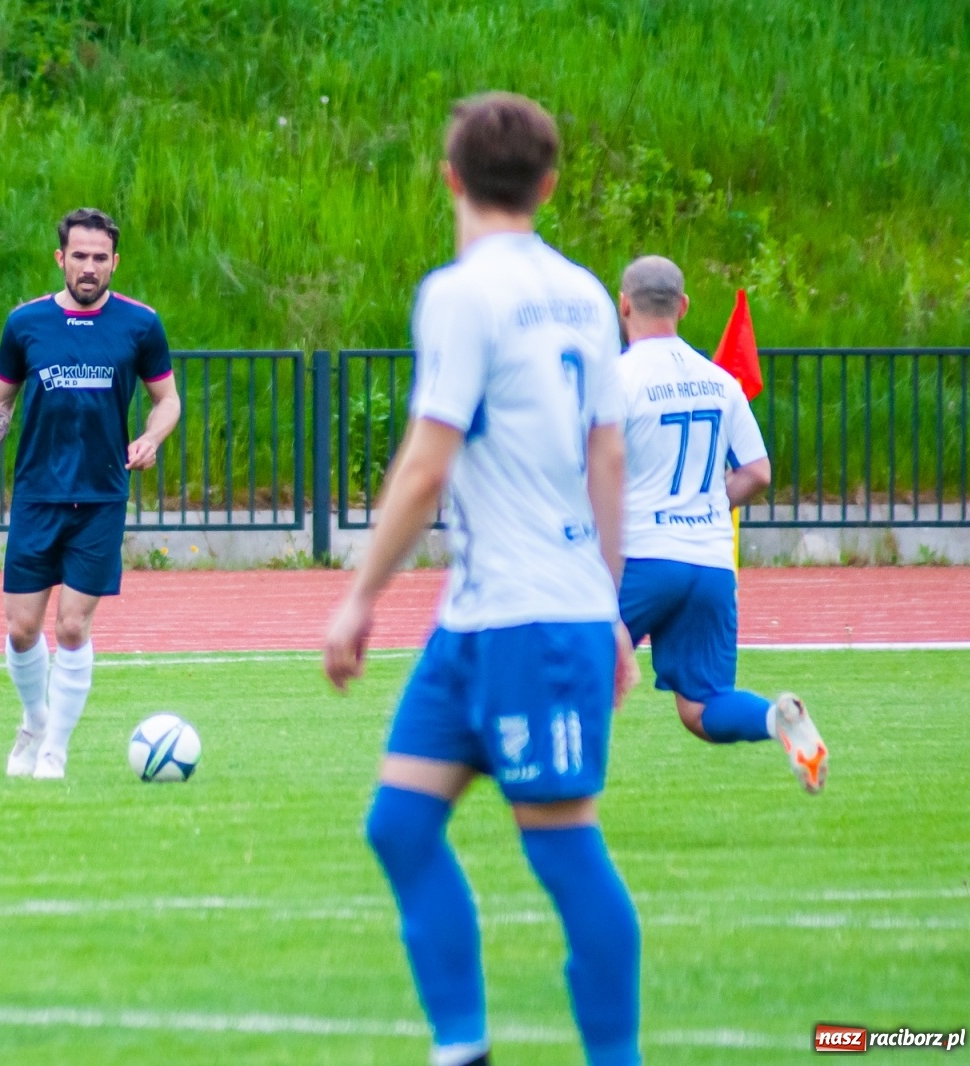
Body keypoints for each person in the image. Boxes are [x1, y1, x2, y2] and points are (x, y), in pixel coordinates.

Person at [325, 93, 643, 1066]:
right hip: (484, 618)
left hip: (531, 620)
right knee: (400, 823)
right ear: (548, 185)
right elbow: (608, 458)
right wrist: (614, 605)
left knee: (559, 843)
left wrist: (358, 595)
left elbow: (426, 464)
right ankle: (461, 1047)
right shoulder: (587, 293)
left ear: (449, 177)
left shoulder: (458, 293)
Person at [0, 207, 181, 780]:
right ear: (61, 258)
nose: (88, 267)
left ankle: (55, 750)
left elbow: (167, 399)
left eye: (99, 258)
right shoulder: (25, 323)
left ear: (114, 262)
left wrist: (152, 437)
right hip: (36, 495)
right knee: (21, 628)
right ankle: (35, 719)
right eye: (78, 256)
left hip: (102, 496)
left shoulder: (141, 324)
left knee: (73, 627)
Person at [614, 255, 829, 792]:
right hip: (710, 562)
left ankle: (553, 797)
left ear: (623, 306)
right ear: (683, 307)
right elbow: (757, 472)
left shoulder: (615, 380)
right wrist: (706, 501)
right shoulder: (720, 381)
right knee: (702, 707)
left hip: (643, 557)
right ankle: (775, 719)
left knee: (570, 665)